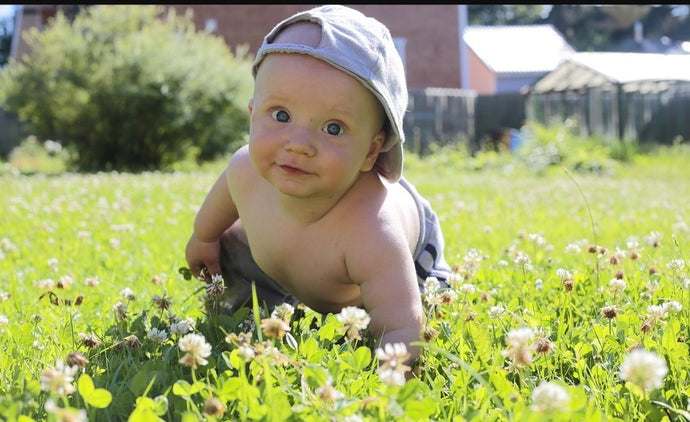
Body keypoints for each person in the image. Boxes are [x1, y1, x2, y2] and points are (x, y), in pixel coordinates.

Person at [185, 5, 452, 363]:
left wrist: (396, 370)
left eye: (333, 128)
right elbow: (218, 206)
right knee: (233, 249)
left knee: (418, 305)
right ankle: (269, 308)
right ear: (252, 115)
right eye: (281, 115)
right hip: (288, 262)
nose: (298, 145)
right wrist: (204, 239)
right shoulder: (245, 168)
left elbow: (402, 326)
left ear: (371, 152)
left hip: (412, 252)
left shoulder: (373, 230)